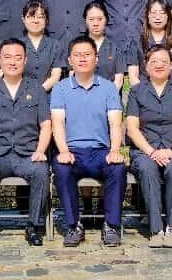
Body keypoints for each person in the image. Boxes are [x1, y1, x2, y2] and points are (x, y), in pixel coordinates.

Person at [51, 35, 127, 248]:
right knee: (61, 168)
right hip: (72, 151)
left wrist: (114, 150)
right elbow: (58, 123)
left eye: (87, 54)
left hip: (100, 151)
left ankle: (111, 225)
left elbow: (115, 123)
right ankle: (73, 226)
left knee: (118, 168)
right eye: (77, 55)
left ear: (96, 58)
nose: (82, 59)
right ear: (69, 60)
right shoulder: (60, 88)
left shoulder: (108, 88)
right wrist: (63, 150)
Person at [0, 39, 51, 247]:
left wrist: (40, 150)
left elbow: (46, 124)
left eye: (18, 58)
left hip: (27, 154)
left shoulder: (36, 89)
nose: (13, 62)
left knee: (41, 171)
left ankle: (33, 226)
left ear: (25, 60)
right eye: (7, 57)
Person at [126, 46, 172, 248]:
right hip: (145, 150)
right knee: (147, 168)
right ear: (146, 66)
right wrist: (152, 152)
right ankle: (156, 229)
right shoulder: (136, 91)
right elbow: (132, 128)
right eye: (154, 61)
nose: (159, 65)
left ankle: (171, 227)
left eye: (164, 61)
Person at [126, 0, 172, 86]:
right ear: (147, 16)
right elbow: (133, 77)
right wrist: (143, 93)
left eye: (162, 13)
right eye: (153, 13)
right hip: (145, 91)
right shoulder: (137, 43)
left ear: (168, 16)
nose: (157, 17)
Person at [20, 0, 64, 94]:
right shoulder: (17, 45)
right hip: (20, 96)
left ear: (46, 20)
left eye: (40, 17)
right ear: (23, 19)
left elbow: (55, 77)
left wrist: (37, 93)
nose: (36, 21)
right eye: (31, 17)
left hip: (47, 96)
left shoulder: (55, 45)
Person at [82, 0, 127, 88]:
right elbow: (73, 77)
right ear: (85, 21)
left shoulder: (116, 48)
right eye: (91, 19)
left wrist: (106, 96)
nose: (95, 24)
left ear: (106, 20)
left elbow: (118, 81)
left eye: (100, 19)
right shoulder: (77, 47)